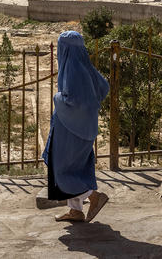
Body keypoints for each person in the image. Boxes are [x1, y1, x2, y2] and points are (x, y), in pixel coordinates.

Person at [42, 31, 110, 223]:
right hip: (85, 128)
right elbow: (103, 87)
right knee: (76, 168)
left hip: (70, 129)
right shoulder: (85, 66)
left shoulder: (72, 69)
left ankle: (94, 196)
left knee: (62, 169)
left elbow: (71, 99)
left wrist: (57, 97)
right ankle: (76, 211)